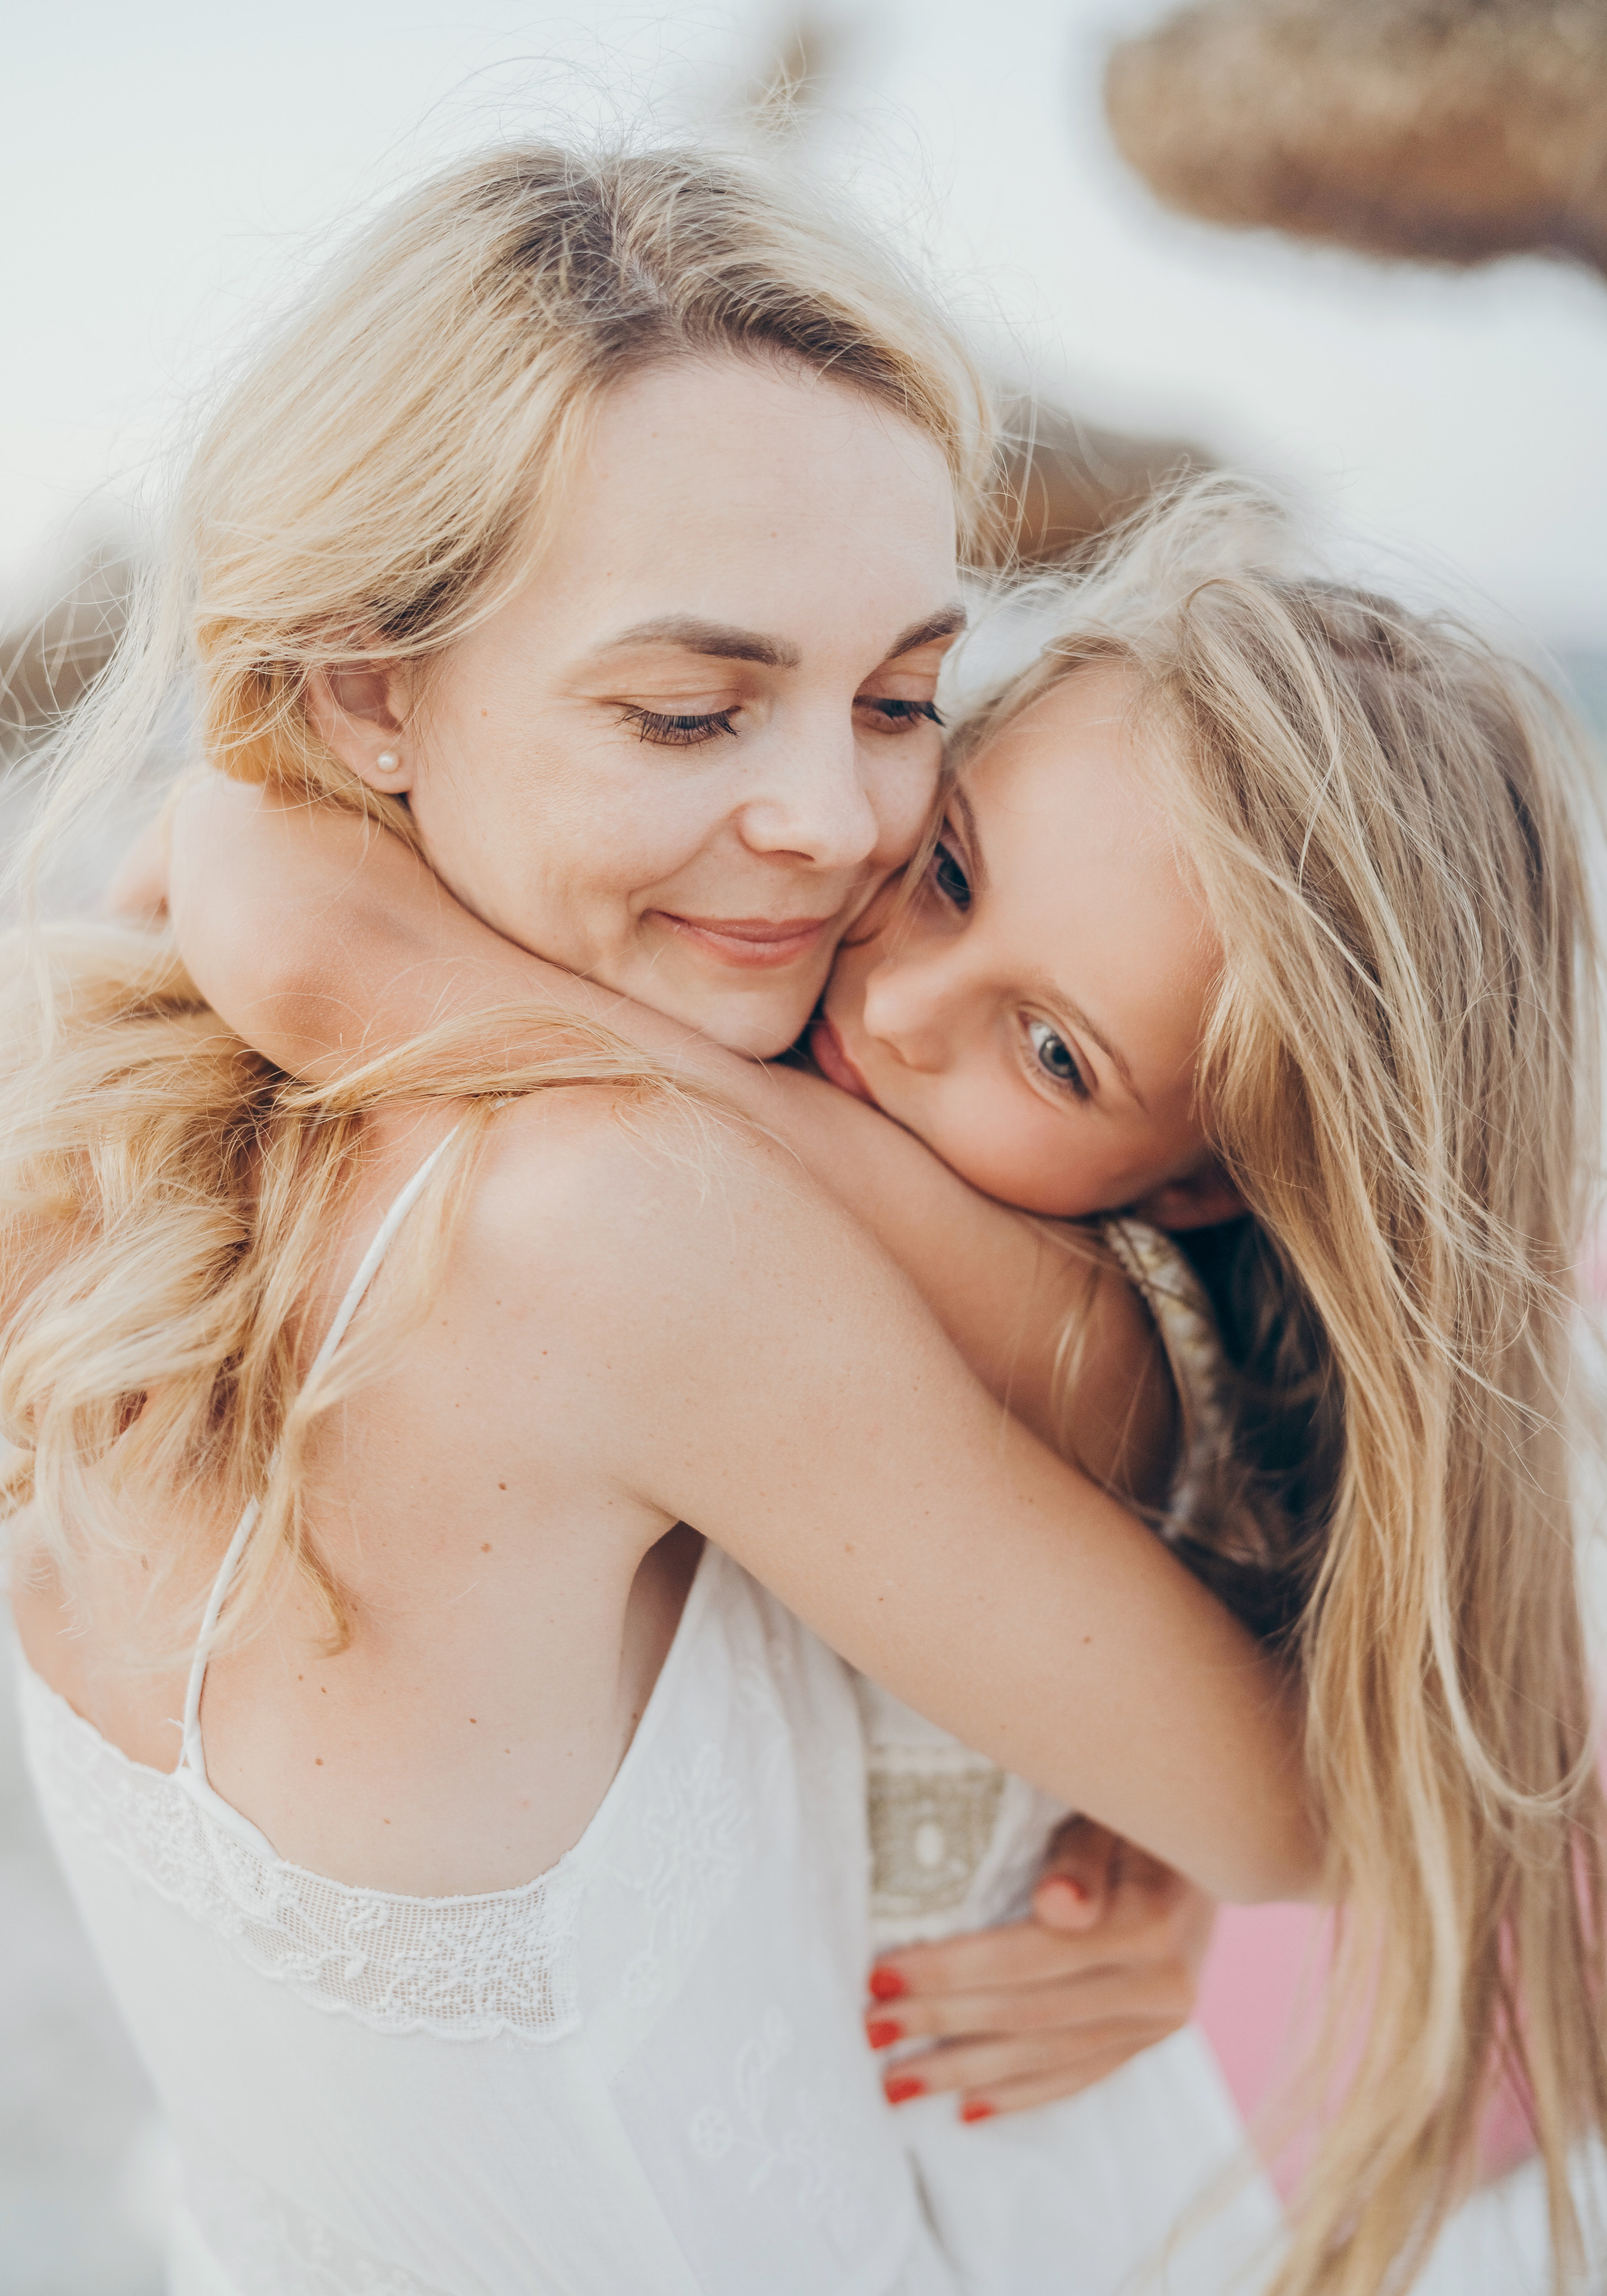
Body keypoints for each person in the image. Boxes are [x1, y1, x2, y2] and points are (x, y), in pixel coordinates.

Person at [1, 144, 1311, 2296]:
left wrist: (375, 956)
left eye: (903, 701)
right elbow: (1298, 1799)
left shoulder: (103, 1087)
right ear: (366, 691)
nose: (828, 824)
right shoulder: (606, 1230)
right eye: (687, 712)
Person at [174, 475, 1607, 2295]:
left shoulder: (1071, 1320)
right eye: (947, 871)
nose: (909, 1004)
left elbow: (309, 947)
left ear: (1190, 1190)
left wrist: (290, 813)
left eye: (1058, 1050)